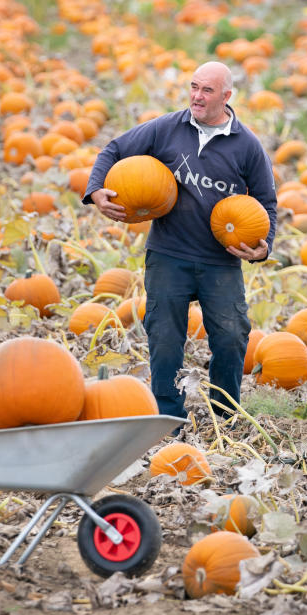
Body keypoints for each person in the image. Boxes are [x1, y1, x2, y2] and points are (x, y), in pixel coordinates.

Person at [82, 61, 278, 422]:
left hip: (220, 259)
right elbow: (113, 149)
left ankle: (225, 414)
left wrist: (264, 246)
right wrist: (95, 189)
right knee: (164, 335)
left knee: (232, 335)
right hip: (169, 253)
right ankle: (168, 418)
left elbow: (266, 202)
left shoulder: (247, 146)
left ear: (226, 96)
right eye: (194, 87)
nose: (197, 96)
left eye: (206, 90)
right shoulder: (167, 128)